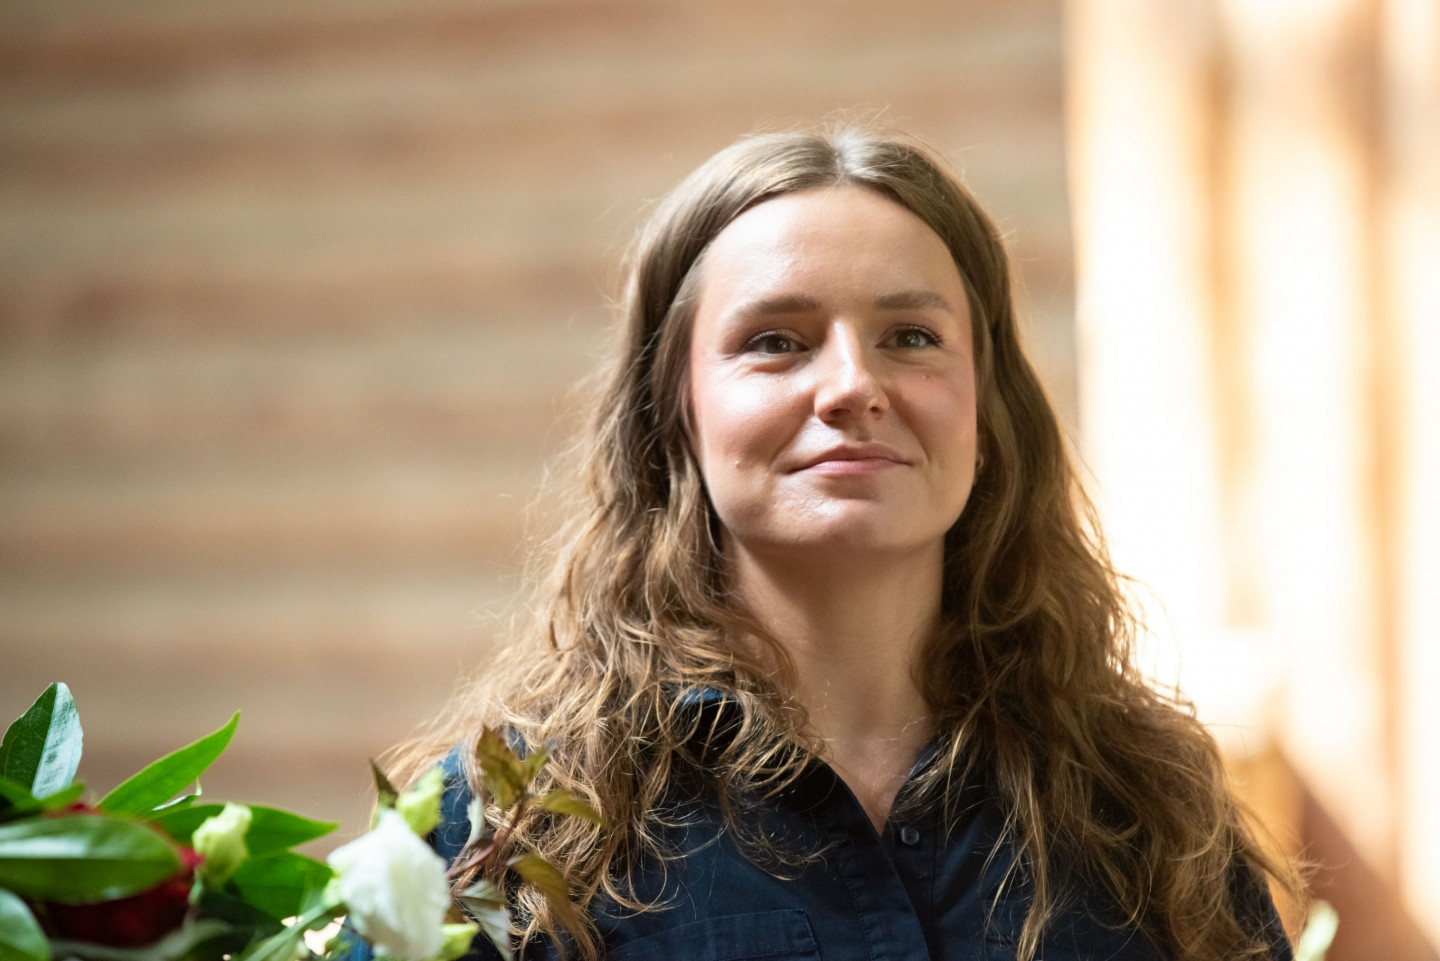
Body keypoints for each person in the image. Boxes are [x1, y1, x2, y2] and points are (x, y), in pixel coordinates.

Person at [360, 126, 1299, 961]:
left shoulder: (1147, 813)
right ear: (677, 410)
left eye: (911, 336)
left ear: (986, 407)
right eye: (776, 339)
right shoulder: (499, 831)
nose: (852, 385)